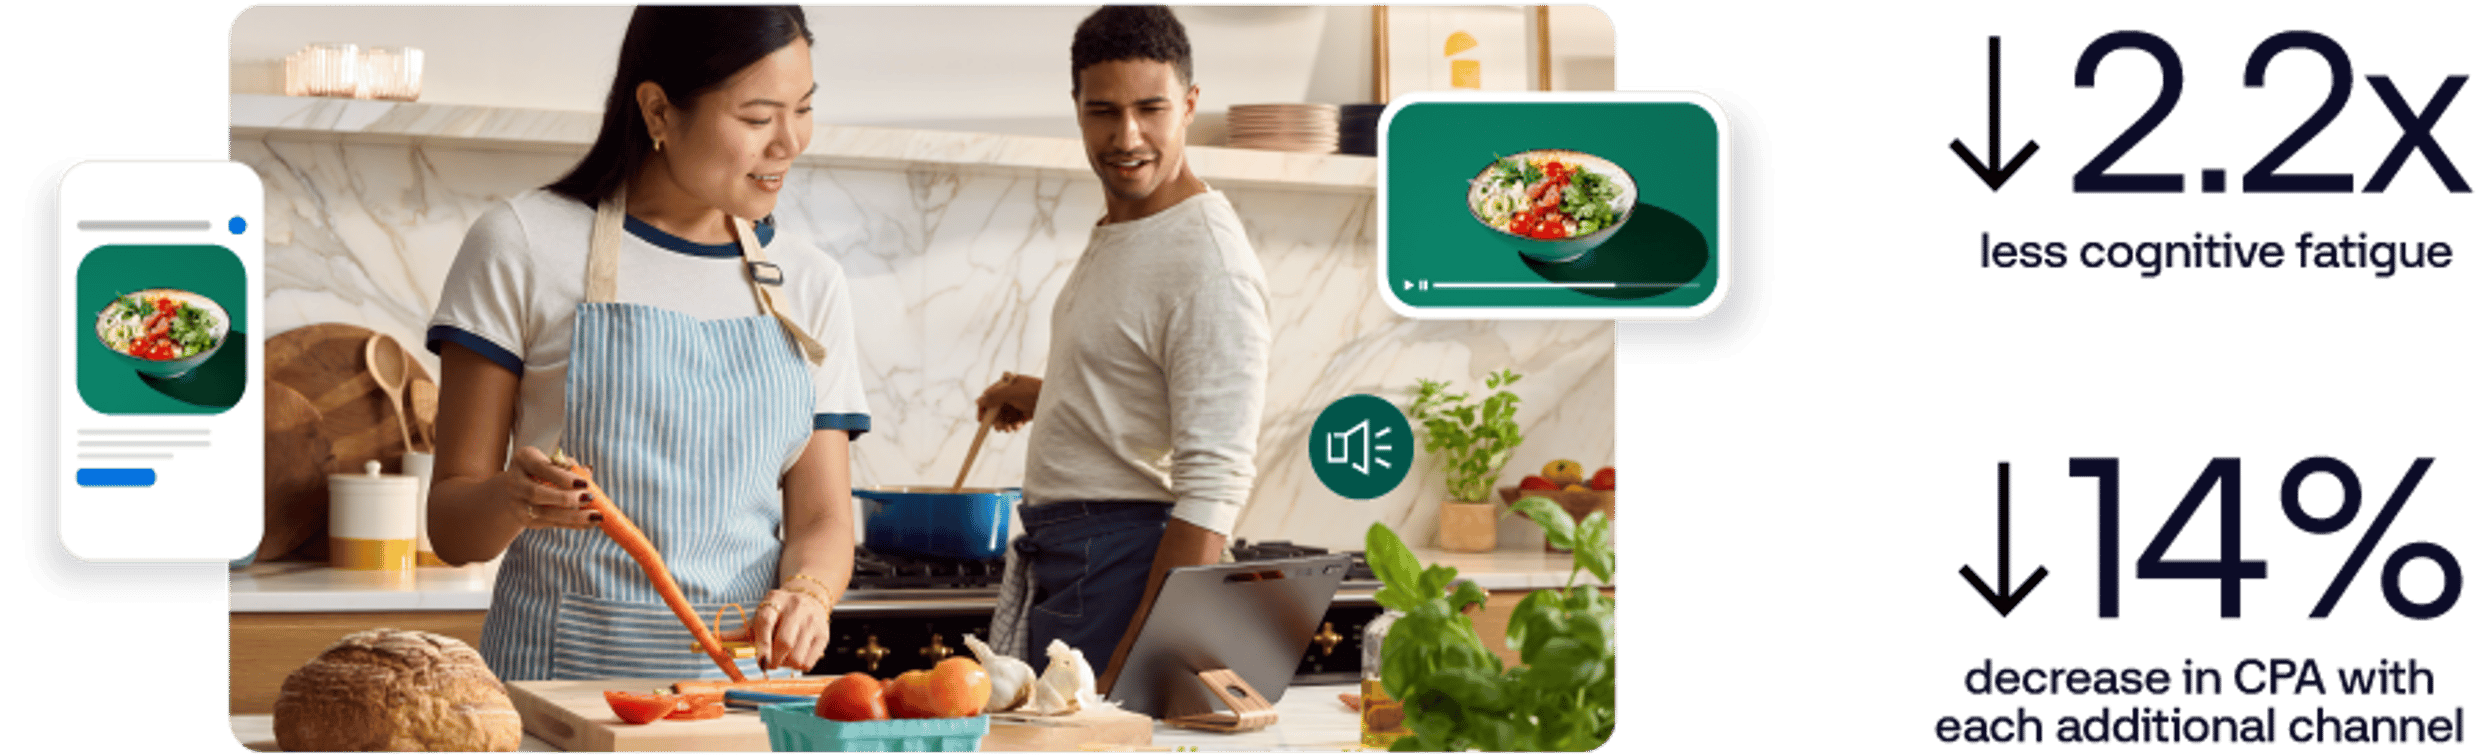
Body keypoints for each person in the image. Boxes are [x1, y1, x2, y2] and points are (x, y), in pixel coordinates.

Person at [424, 4, 867, 682]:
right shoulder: (523, 243)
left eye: (803, 109)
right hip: (557, 696)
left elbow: (823, 520)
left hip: (742, 703)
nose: (790, 143)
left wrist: (809, 592)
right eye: (758, 118)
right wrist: (514, 498)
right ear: (658, 110)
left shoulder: (809, 282)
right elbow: (452, 527)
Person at [978, 4, 1273, 694]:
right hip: (1076, 564)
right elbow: (1147, 384)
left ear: (1189, 105)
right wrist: (1048, 394)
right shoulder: (1131, 226)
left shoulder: (1208, 262)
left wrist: (1139, 656)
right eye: (1103, 111)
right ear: (1077, 108)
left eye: (1150, 109)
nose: (1126, 136)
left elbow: (1214, 484)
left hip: (1124, 570)